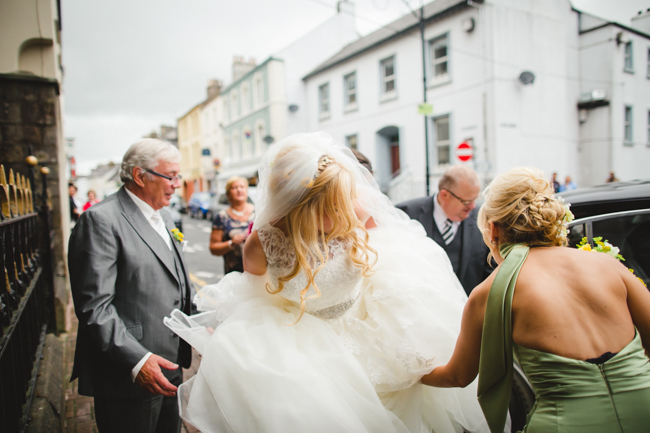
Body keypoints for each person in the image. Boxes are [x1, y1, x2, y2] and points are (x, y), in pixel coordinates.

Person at [164, 132, 489, 433]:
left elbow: (394, 260)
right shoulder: (263, 242)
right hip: (299, 348)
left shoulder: (357, 211)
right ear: (298, 203)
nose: (344, 209)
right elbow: (253, 297)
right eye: (331, 204)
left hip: (367, 332)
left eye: (344, 199)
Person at [421, 167, 650, 433]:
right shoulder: (608, 265)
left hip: (563, 423)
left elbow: (458, 376)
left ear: (493, 229)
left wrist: (408, 374)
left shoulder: (490, 291)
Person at [69, 138, 193, 433]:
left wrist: (200, 321)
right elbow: (94, 307)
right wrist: (137, 361)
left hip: (171, 365)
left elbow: (176, 281)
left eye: (179, 175)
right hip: (129, 373)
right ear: (139, 176)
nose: (177, 183)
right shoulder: (100, 220)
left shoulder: (165, 215)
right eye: (170, 176)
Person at [396, 166, 492, 295]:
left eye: (475, 200)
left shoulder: (482, 218)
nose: (472, 206)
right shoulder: (405, 214)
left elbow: (490, 271)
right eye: (466, 202)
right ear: (445, 195)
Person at [209, 176, 255, 274]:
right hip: (234, 273)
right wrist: (231, 243)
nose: (239, 190)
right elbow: (213, 248)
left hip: (258, 271)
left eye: (242, 187)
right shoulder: (222, 216)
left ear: (246, 190)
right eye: (234, 187)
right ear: (228, 194)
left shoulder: (258, 212)